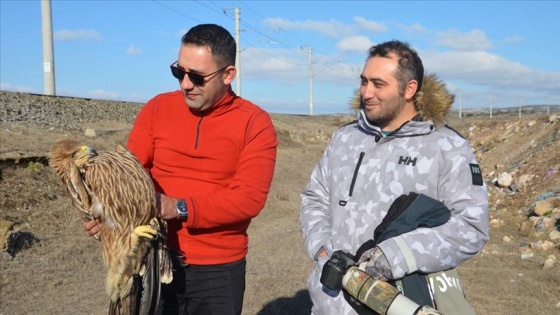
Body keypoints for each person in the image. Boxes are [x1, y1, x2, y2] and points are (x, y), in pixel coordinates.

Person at [84, 23, 278, 314]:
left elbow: (248, 198)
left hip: (219, 270)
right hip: (153, 259)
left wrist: (180, 207)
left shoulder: (255, 123)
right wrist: (109, 213)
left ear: (228, 75)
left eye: (197, 77)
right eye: (179, 72)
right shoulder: (157, 108)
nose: (185, 84)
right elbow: (129, 175)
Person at [299, 40, 489, 315]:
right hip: (330, 303)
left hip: (397, 304)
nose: (366, 92)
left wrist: (395, 256)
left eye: (378, 84)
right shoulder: (345, 138)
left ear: (409, 88)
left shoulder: (447, 147)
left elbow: (471, 227)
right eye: (363, 81)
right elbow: (314, 198)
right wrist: (322, 250)